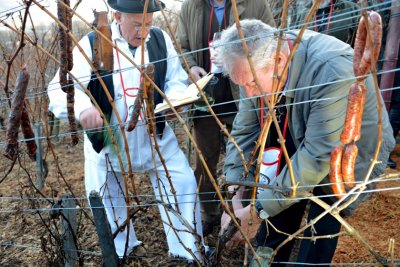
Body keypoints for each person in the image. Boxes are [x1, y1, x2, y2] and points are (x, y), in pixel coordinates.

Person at [216, 19, 395, 265]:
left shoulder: (332, 70)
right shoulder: (255, 65)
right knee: (277, 208)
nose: (249, 93)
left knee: (323, 223)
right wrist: (235, 200)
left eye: (251, 84)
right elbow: (245, 131)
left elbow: (317, 155)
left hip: (345, 152)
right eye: (242, 85)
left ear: (279, 61)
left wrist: (256, 212)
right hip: (298, 127)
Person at [47, 0, 205, 262]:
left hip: (155, 136)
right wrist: (83, 109)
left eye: (148, 23)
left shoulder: (160, 40)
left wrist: (174, 100)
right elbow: (61, 87)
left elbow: (175, 78)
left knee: (183, 182)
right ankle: (122, 248)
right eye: (136, 24)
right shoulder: (93, 43)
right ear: (117, 16)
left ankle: (186, 249)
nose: (143, 31)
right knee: (108, 193)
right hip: (110, 141)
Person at [176, 0, 275, 236]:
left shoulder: (256, 5)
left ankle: (248, 215)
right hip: (205, 101)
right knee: (205, 161)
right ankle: (209, 214)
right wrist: (190, 67)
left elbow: (272, 41)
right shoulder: (191, 6)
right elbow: (181, 46)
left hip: (243, 97)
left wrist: (239, 59)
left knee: (248, 158)